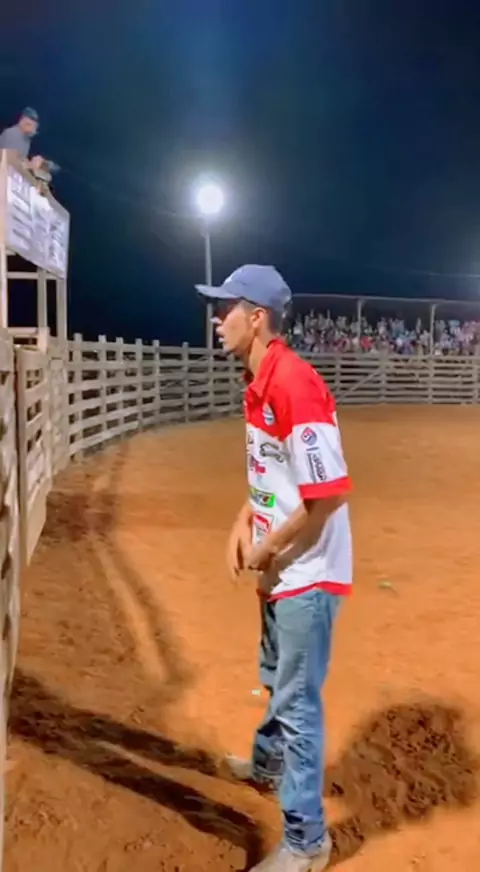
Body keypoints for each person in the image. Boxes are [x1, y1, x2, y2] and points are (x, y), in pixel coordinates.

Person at [196, 264, 353, 872]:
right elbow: (275, 470)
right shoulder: (258, 381)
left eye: (226, 309)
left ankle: (307, 841)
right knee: (275, 673)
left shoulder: (293, 384)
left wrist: (269, 550)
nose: (217, 319)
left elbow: (326, 495)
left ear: (256, 317)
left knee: (297, 703)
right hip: (283, 566)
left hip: (307, 570)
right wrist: (244, 519)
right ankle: (268, 765)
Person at [0, 107, 43, 173]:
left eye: (34, 127)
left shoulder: (26, 138)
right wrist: (30, 165)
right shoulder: (12, 134)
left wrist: (30, 162)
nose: (33, 130)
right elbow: (9, 163)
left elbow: (20, 157)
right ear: (22, 121)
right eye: (29, 125)